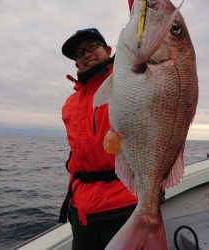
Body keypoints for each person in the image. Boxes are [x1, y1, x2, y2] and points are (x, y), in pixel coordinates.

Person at [59, 28, 138, 250]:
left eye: (92, 46)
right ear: (76, 64)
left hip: (123, 204)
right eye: (79, 52)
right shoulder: (70, 103)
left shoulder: (128, 79)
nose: (86, 54)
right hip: (81, 208)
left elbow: (145, 33)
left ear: (109, 49)